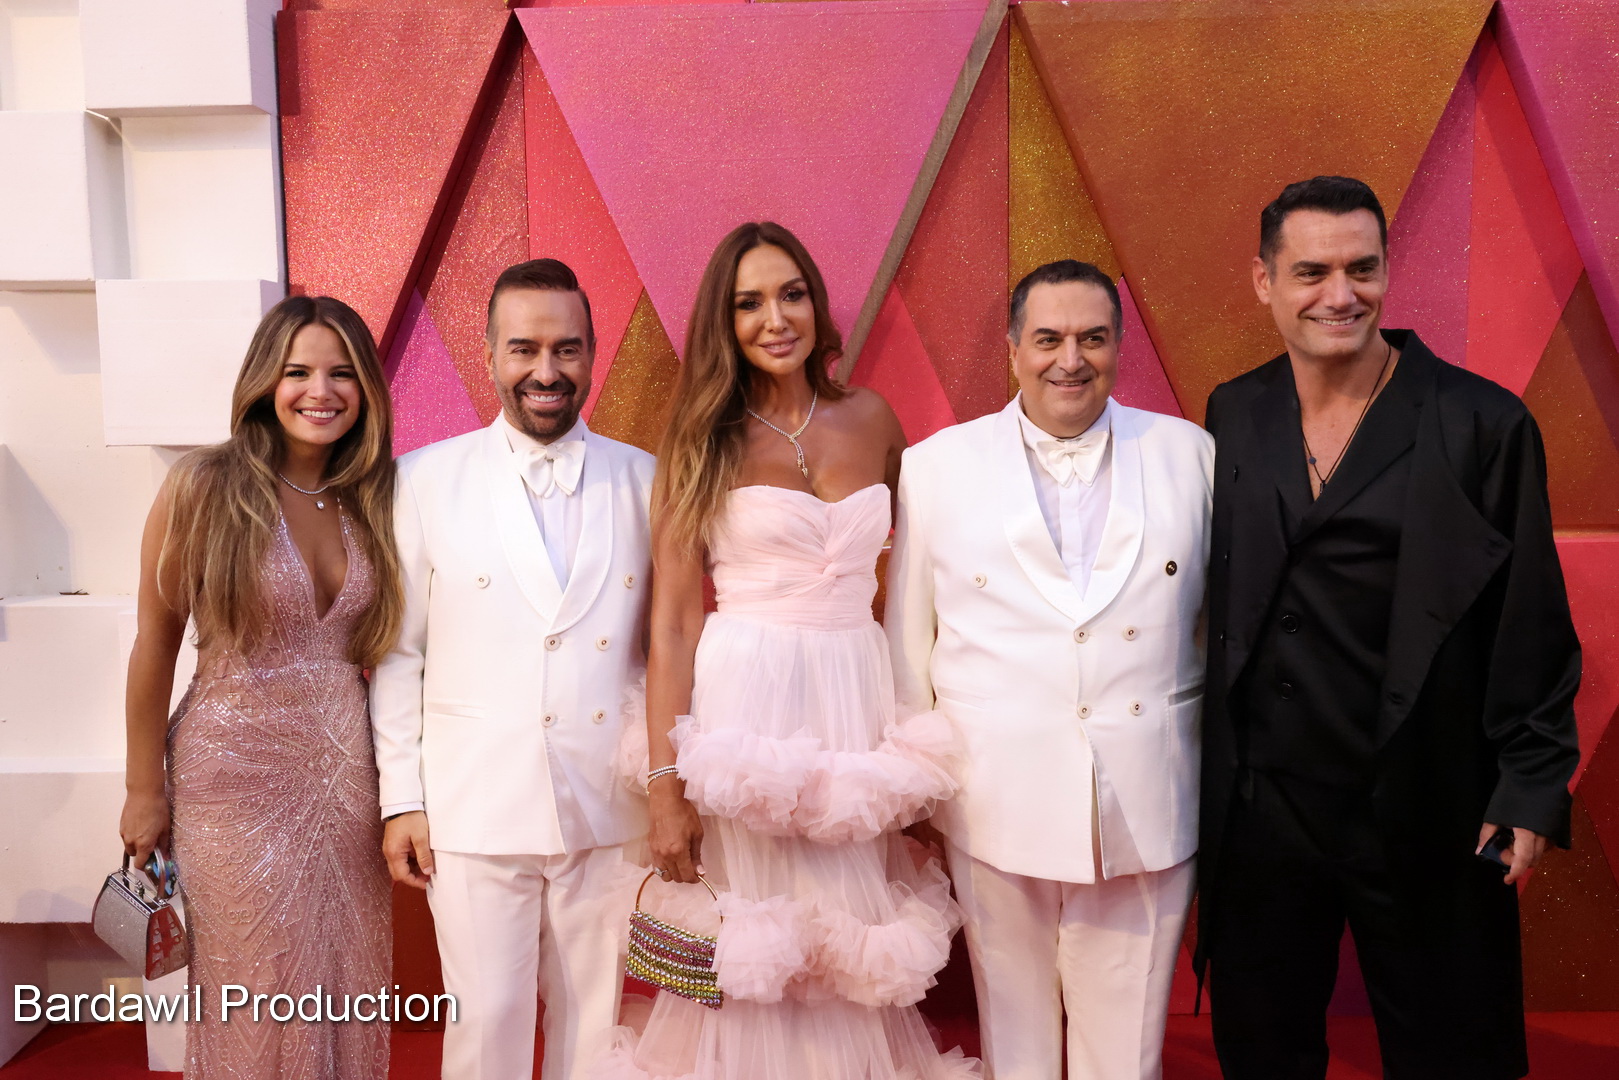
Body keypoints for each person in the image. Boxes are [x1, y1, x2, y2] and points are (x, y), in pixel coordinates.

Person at [1198, 175, 1582, 1079]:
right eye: (1311, 272)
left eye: (1361, 269)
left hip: (1427, 797)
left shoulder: (1483, 422)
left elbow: (1528, 615)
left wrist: (1528, 786)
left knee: (1454, 1050)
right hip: (1262, 807)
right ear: (1263, 281)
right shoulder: (1232, 411)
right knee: (1260, 1050)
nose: (1340, 295)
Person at [597, 221, 976, 1080]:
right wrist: (666, 786)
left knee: (845, 926)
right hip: (747, 717)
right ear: (723, 324)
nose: (775, 318)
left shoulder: (872, 418)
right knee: (754, 938)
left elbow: (918, 578)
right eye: (750, 303)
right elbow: (672, 625)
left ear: (816, 304)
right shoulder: (701, 437)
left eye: (791, 294)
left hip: (852, 702)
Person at [884, 259, 1214, 1080]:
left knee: (1127, 1053)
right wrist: (915, 789)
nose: (1070, 359)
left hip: (1147, 792)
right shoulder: (936, 465)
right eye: (1048, 339)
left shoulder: (1191, 455)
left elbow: (1218, 629)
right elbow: (906, 643)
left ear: (1118, 346)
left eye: (1091, 338)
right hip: (991, 797)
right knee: (1016, 1043)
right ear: (1012, 349)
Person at [371, 259, 655, 1080]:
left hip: (608, 804)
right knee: (485, 1023)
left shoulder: (646, 478)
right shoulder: (422, 480)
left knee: (595, 1025)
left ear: (591, 352)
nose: (545, 370)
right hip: (473, 803)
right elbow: (398, 653)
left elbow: (668, 645)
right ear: (490, 353)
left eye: (566, 349)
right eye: (524, 349)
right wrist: (403, 799)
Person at [119, 295, 401, 1079]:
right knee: (254, 985)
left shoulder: (375, 495)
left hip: (346, 784)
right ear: (263, 382)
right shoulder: (203, 486)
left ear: (367, 388)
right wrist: (143, 789)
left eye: (343, 373)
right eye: (298, 371)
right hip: (230, 784)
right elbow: (155, 644)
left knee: (346, 978)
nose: (321, 391)